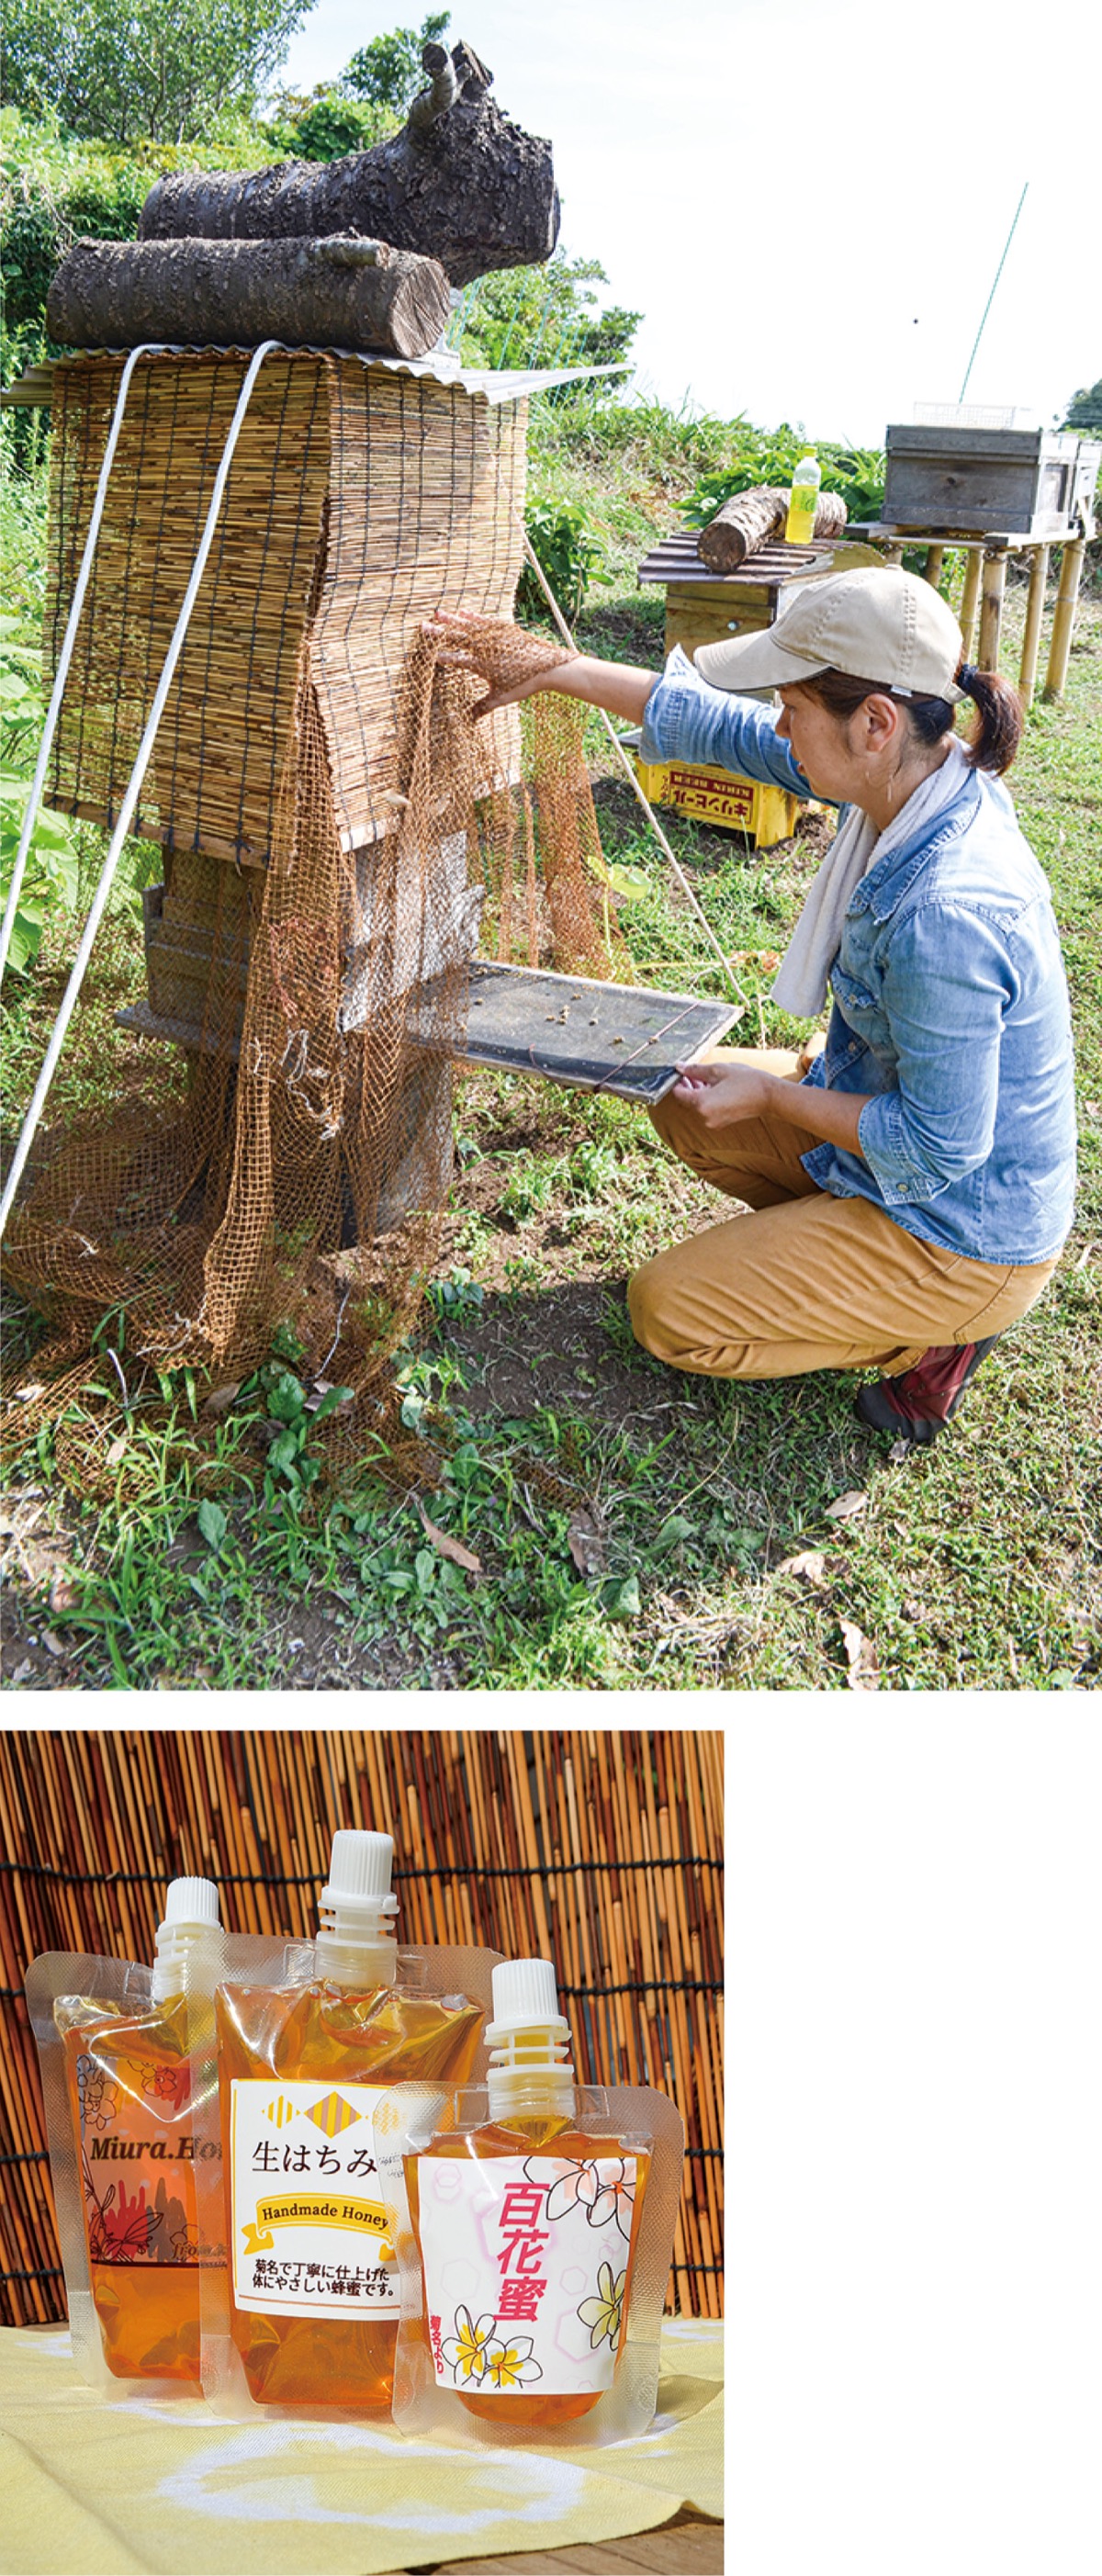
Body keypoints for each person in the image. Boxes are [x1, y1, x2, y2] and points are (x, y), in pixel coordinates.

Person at [428, 568, 1076, 1445]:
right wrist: (557, 669)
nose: (778, 725)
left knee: (667, 1310)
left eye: (792, 705)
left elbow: (937, 1148)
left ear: (874, 722)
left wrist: (772, 1096)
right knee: (683, 1095)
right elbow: (722, 728)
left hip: (960, 1224)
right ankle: (832, 1248)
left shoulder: (947, 912)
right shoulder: (914, 773)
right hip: (913, 1162)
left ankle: (930, 1334)